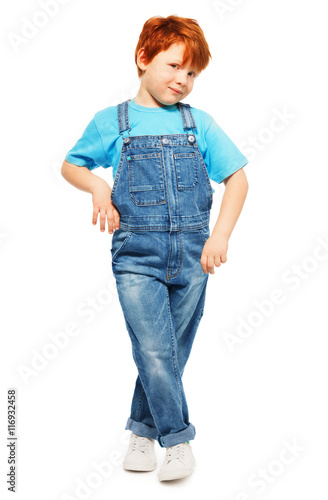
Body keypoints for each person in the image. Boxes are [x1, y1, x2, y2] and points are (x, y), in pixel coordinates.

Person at [61, 14, 249, 482]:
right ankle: (179, 439)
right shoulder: (113, 122)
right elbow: (70, 165)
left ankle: (142, 433)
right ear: (143, 59)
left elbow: (238, 179)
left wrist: (219, 236)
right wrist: (98, 189)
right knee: (154, 349)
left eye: (191, 73)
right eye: (173, 67)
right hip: (136, 255)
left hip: (193, 254)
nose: (182, 80)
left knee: (167, 351)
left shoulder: (198, 124)